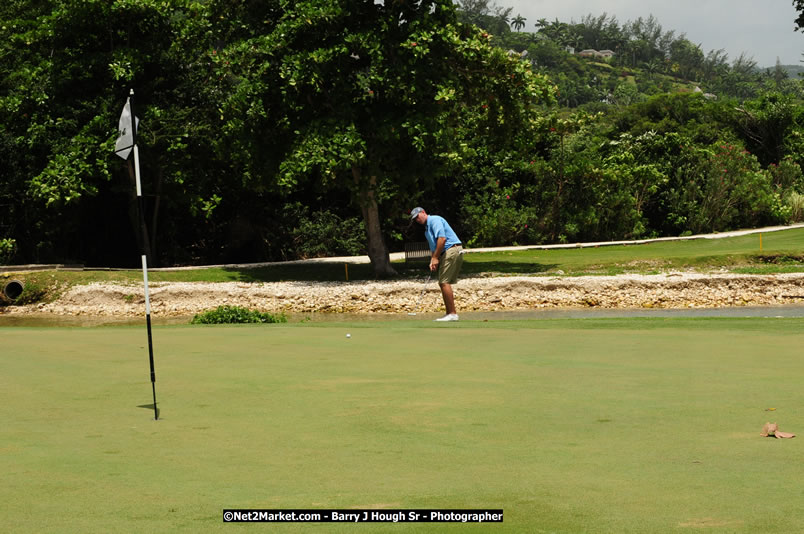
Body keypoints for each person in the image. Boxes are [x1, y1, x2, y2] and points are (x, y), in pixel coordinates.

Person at [410, 207, 463, 321]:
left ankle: (452, 314)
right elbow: (434, 247)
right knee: (443, 282)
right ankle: (449, 314)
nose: (417, 220)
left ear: (423, 212)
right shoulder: (427, 230)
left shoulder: (434, 220)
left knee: (444, 282)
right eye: (415, 219)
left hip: (451, 249)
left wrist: (435, 257)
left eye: (417, 217)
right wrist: (433, 260)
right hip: (447, 252)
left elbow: (442, 239)